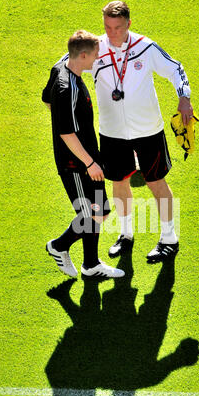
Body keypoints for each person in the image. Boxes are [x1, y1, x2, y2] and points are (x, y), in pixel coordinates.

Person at [91, 0, 194, 262]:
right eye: (107, 27)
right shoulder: (94, 48)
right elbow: (67, 65)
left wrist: (184, 97)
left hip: (148, 130)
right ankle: (126, 235)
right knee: (119, 182)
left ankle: (169, 238)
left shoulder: (145, 47)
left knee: (155, 182)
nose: (111, 33)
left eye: (117, 27)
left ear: (129, 24)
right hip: (112, 133)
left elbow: (175, 69)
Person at [42, 30, 124, 279]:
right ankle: (59, 246)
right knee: (89, 214)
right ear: (84, 55)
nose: (97, 59)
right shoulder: (68, 89)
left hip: (88, 156)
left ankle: (90, 265)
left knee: (101, 211)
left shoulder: (62, 63)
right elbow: (67, 134)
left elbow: (46, 99)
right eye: (95, 55)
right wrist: (88, 163)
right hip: (75, 164)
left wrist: (61, 116)